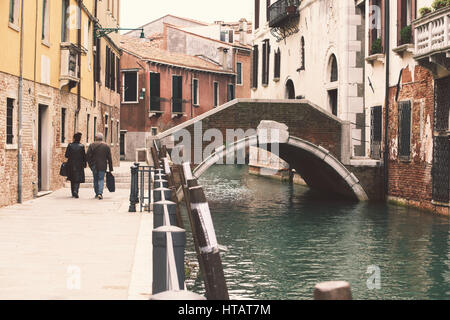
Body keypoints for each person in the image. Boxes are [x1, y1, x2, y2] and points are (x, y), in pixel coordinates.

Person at [86, 133, 113, 200]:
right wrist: (110, 168)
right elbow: (109, 158)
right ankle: (100, 193)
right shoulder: (106, 146)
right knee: (101, 179)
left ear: (95, 138)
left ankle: (96, 193)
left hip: (94, 165)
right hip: (103, 165)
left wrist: (90, 165)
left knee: (95, 179)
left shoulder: (91, 145)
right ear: (102, 138)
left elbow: (88, 156)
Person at [65, 132, 86, 198]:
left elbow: (66, 155)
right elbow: (84, 157)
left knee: (72, 178)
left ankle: (73, 192)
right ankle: (76, 190)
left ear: (74, 138)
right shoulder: (82, 146)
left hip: (71, 164)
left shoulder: (70, 145)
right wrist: (85, 164)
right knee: (78, 179)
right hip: (79, 164)